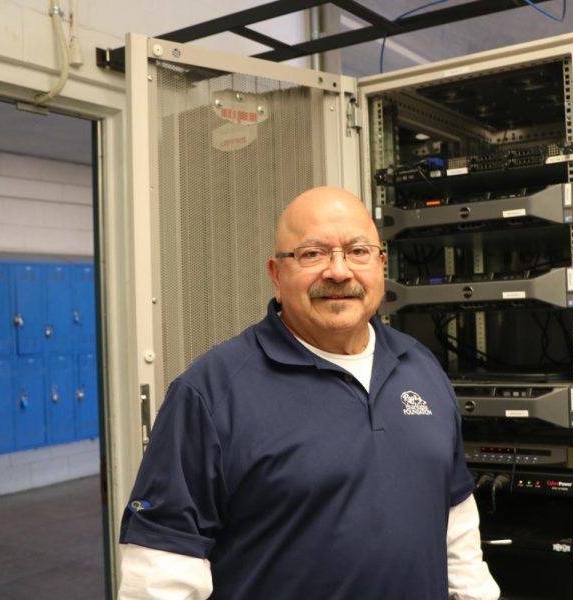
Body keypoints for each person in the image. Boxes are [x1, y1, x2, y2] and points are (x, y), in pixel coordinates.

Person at [118, 186, 500, 600]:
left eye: (357, 251)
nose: (338, 272)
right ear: (276, 274)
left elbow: (456, 527)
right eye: (312, 253)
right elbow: (159, 574)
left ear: (380, 265)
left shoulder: (421, 367)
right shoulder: (210, 393)